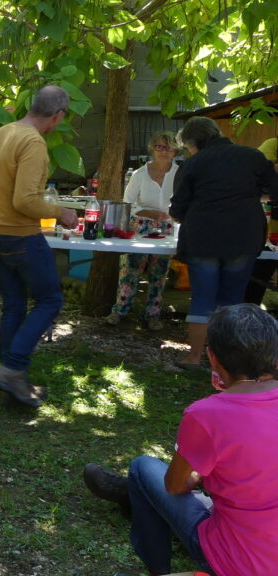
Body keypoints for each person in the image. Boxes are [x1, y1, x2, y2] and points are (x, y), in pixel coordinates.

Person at [83, 304, 278, 576]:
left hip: (236, 561)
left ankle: (157, 568)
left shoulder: (207, 414)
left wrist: (202, 478)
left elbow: (175, 486)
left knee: (142, 467)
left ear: (212, 358)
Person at [0, 85, 78, 407]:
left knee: (13, 304)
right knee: (49, 300)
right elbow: (26, 200)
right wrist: (61, 212)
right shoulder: (33, 142)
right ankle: (13, 367)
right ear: (57, 116)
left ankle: (10, 379)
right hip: (20, 236)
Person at [170, 117, 278, 370]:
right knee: (232, 298)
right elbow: (274, 189)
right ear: (217, 132)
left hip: (203, 237)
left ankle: (194, 357)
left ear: (192, 142)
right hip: (244, 235)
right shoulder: (251, 156)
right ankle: (228, 364)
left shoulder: (193, 163)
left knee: (203, 298)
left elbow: (177, 209)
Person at [105, 131, 179, 331]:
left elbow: (185, 201)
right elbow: (127, 203)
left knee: (159, 274)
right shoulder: (140, 174)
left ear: (175, 150)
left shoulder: (180, 173)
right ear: (152, 148)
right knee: (129, 270)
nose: (163, 151)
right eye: (159, 146)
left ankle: (152, 315)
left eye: (168, 147)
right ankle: (119, 311)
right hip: (140, 226)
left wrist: (171, 215)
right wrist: (149, 212)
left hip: (168, 228)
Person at [244, 137, 278, 306]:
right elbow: (262, 171)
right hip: (269, 232)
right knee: (256, 282)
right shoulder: (273, 144)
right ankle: (246, 322)